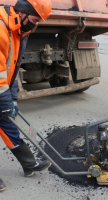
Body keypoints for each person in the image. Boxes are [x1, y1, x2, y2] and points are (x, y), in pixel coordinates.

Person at [0, 0, 52, 192]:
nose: (35, 24)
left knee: (7, 124)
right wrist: (5, 101)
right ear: (23, 12)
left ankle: (29, 164)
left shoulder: (20, 30)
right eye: (35, 19)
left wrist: (12, 98)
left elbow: (10, 69)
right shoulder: (1, 27)